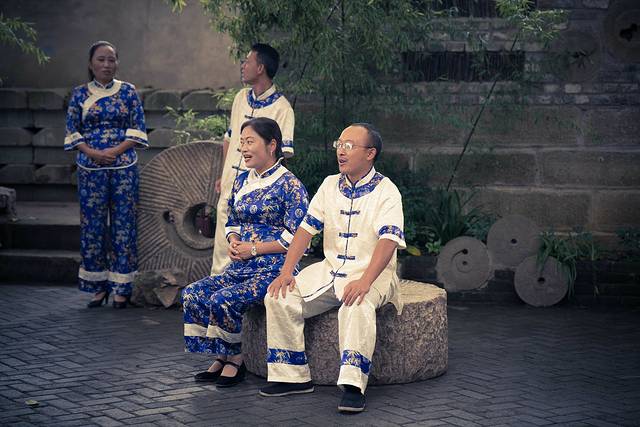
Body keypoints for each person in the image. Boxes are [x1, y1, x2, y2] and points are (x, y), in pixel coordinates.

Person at [259, 123, 406, 413]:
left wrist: (365, 282)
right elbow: (305, 229)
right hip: (330, 270)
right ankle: (291, 377)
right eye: (339, 144)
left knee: (356, 304)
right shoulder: (329, 185)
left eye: (349, 145)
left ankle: (353, 385)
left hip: (373, 274)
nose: (341, 151)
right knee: (278, 295)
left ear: (370, 153)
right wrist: (286, 272)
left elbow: (389, 240)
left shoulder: (387, 191)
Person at [182, 117, 308, 387]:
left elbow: (297, 237)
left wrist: (253, 249)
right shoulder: (241, 181)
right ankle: (221, 354)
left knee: (224, 299)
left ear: (272, 145)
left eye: (250, 142)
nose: (243, 148)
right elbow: (232, 221)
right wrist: (234, 241)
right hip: (240, 267)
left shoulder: (291, 185)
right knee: (193, 293)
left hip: (274, 269)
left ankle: (236, 358)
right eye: (241, 142)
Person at [64, 41, 148, 309]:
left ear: (117, 63)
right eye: (101, 60)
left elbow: (138, 128)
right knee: (93, 227)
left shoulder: (128, 91)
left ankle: (122, 288)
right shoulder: (80, 94)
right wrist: (92, 152)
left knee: (124, 226)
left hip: (124, 168)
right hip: (90, 169)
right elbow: (72, 131)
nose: (106, 65)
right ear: (91, 64)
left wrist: (114, 151)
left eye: (111, 60)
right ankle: (97, 287)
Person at [211, 43, 295, 275]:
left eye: (247, 61)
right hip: (231, 182)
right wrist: (223, 175)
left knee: (249, 243)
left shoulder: (283, 109)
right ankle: (217, 284)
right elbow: (230, 138)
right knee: (223, 242)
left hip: (259, 190)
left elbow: (283, 155)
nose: (243, 66)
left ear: (260, 68)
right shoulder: (240, 98)